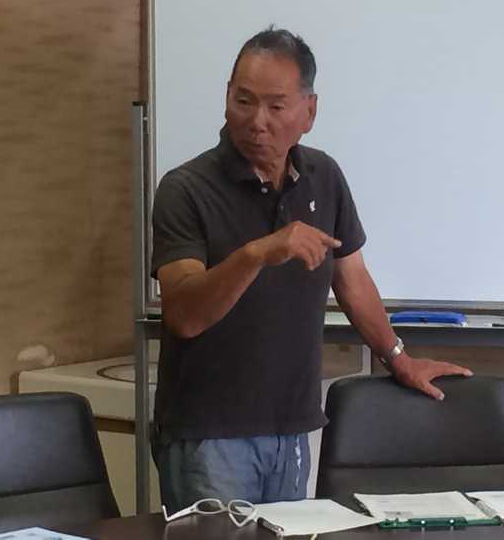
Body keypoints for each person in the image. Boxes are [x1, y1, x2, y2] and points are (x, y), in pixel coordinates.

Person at [150, 27, 471, 513]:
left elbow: (353, 280)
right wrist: (255, 255)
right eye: (243, 101)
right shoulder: (186, 189)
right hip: (209, 435)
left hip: (291, 427)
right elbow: (184, 315)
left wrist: (399, 359)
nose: (257, 121)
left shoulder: (324, 177)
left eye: (276, 106)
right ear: (226, 98)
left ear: (309, 111)